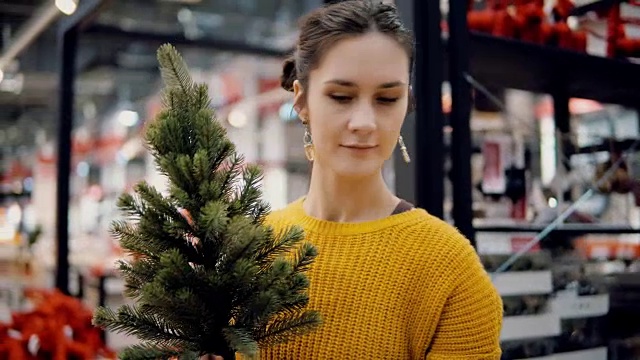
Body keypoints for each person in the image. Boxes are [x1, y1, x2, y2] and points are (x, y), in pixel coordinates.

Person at [239, 0, 503, 359]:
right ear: (301, 101)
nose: (364, 121)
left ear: (406, 103)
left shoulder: (449, 269)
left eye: (386, 98)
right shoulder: (252, 249)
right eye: (341, 96)